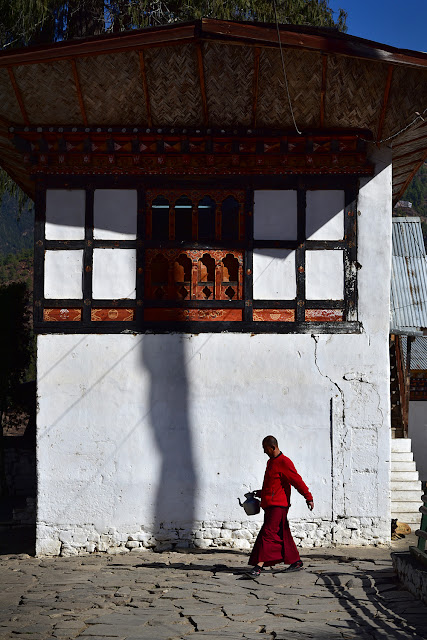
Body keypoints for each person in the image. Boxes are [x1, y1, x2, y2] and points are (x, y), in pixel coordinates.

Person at [247, 435, 314, 578]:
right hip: (271, 505)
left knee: (268, 533)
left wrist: (308, 497)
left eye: (266, 449)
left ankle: (258, 566)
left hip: (279, 505)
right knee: (283, 534)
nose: (264, 452)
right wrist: (261, 493)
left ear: (273, 447)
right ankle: (295, 561)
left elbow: (297, 480)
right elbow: (273, 484)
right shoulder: (270, 462)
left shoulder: (285, 462)